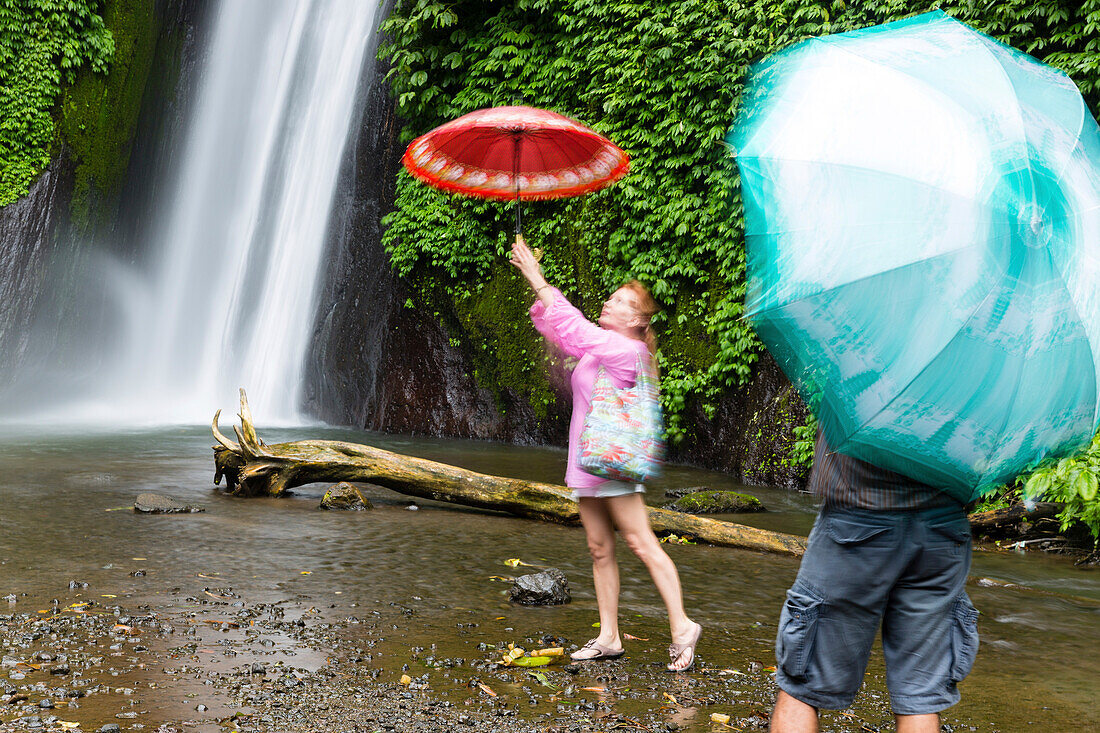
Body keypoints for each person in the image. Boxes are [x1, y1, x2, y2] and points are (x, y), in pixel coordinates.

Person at [510, 235, 702, 672]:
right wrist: (533, 282)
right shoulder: (600, 349)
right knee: (600, 548)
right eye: (611, 299)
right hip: (587, 462)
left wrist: (539, 277)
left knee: (640, 541)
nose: (608, 303)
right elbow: (560, 330)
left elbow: (576, 327)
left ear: (636, 319)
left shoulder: (628, 350)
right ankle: (609, 637)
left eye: (618, 302)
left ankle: (682, 626)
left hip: (612, 461)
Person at [769, 430, 979, 733]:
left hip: (858, 521)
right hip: (942, 532)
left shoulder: (869, 384)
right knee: (920, 698)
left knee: (802, 684)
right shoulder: (977, 387)